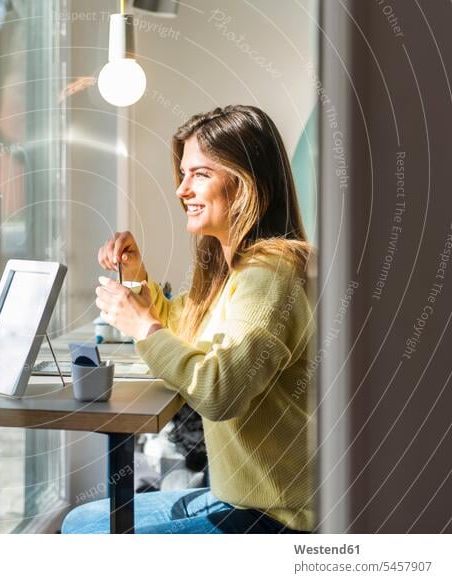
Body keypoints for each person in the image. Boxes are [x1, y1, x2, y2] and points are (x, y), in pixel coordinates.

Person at [62, 105, 317, 534]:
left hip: (277, 517)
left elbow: (220, 394)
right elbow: (189, 326)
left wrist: (144, 327)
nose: (181, 190)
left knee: (86, 533)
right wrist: (138, 278)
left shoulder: (269, 276)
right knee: (80, 520)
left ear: (245, 184)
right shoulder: (242, 269)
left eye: (199, 174)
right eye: (183, 174)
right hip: (238, 496)